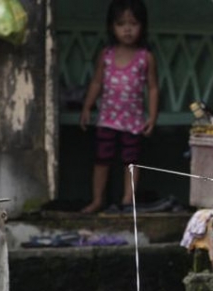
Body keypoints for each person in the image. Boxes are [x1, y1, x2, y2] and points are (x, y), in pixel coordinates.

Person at [79, 0, 159, 214]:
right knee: (101, 159)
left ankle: (127, 200)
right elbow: (97, 82)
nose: (127, 29)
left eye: (133, 23)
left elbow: (152, 88)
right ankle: (97, 200)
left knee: (131, 161)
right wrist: (87, 107)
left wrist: (151, 116)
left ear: (142, 26)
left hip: (133, 122)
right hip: (107, 119)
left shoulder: (145, 58)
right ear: (112, 27)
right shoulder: (106, 55)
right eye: (121, 23)